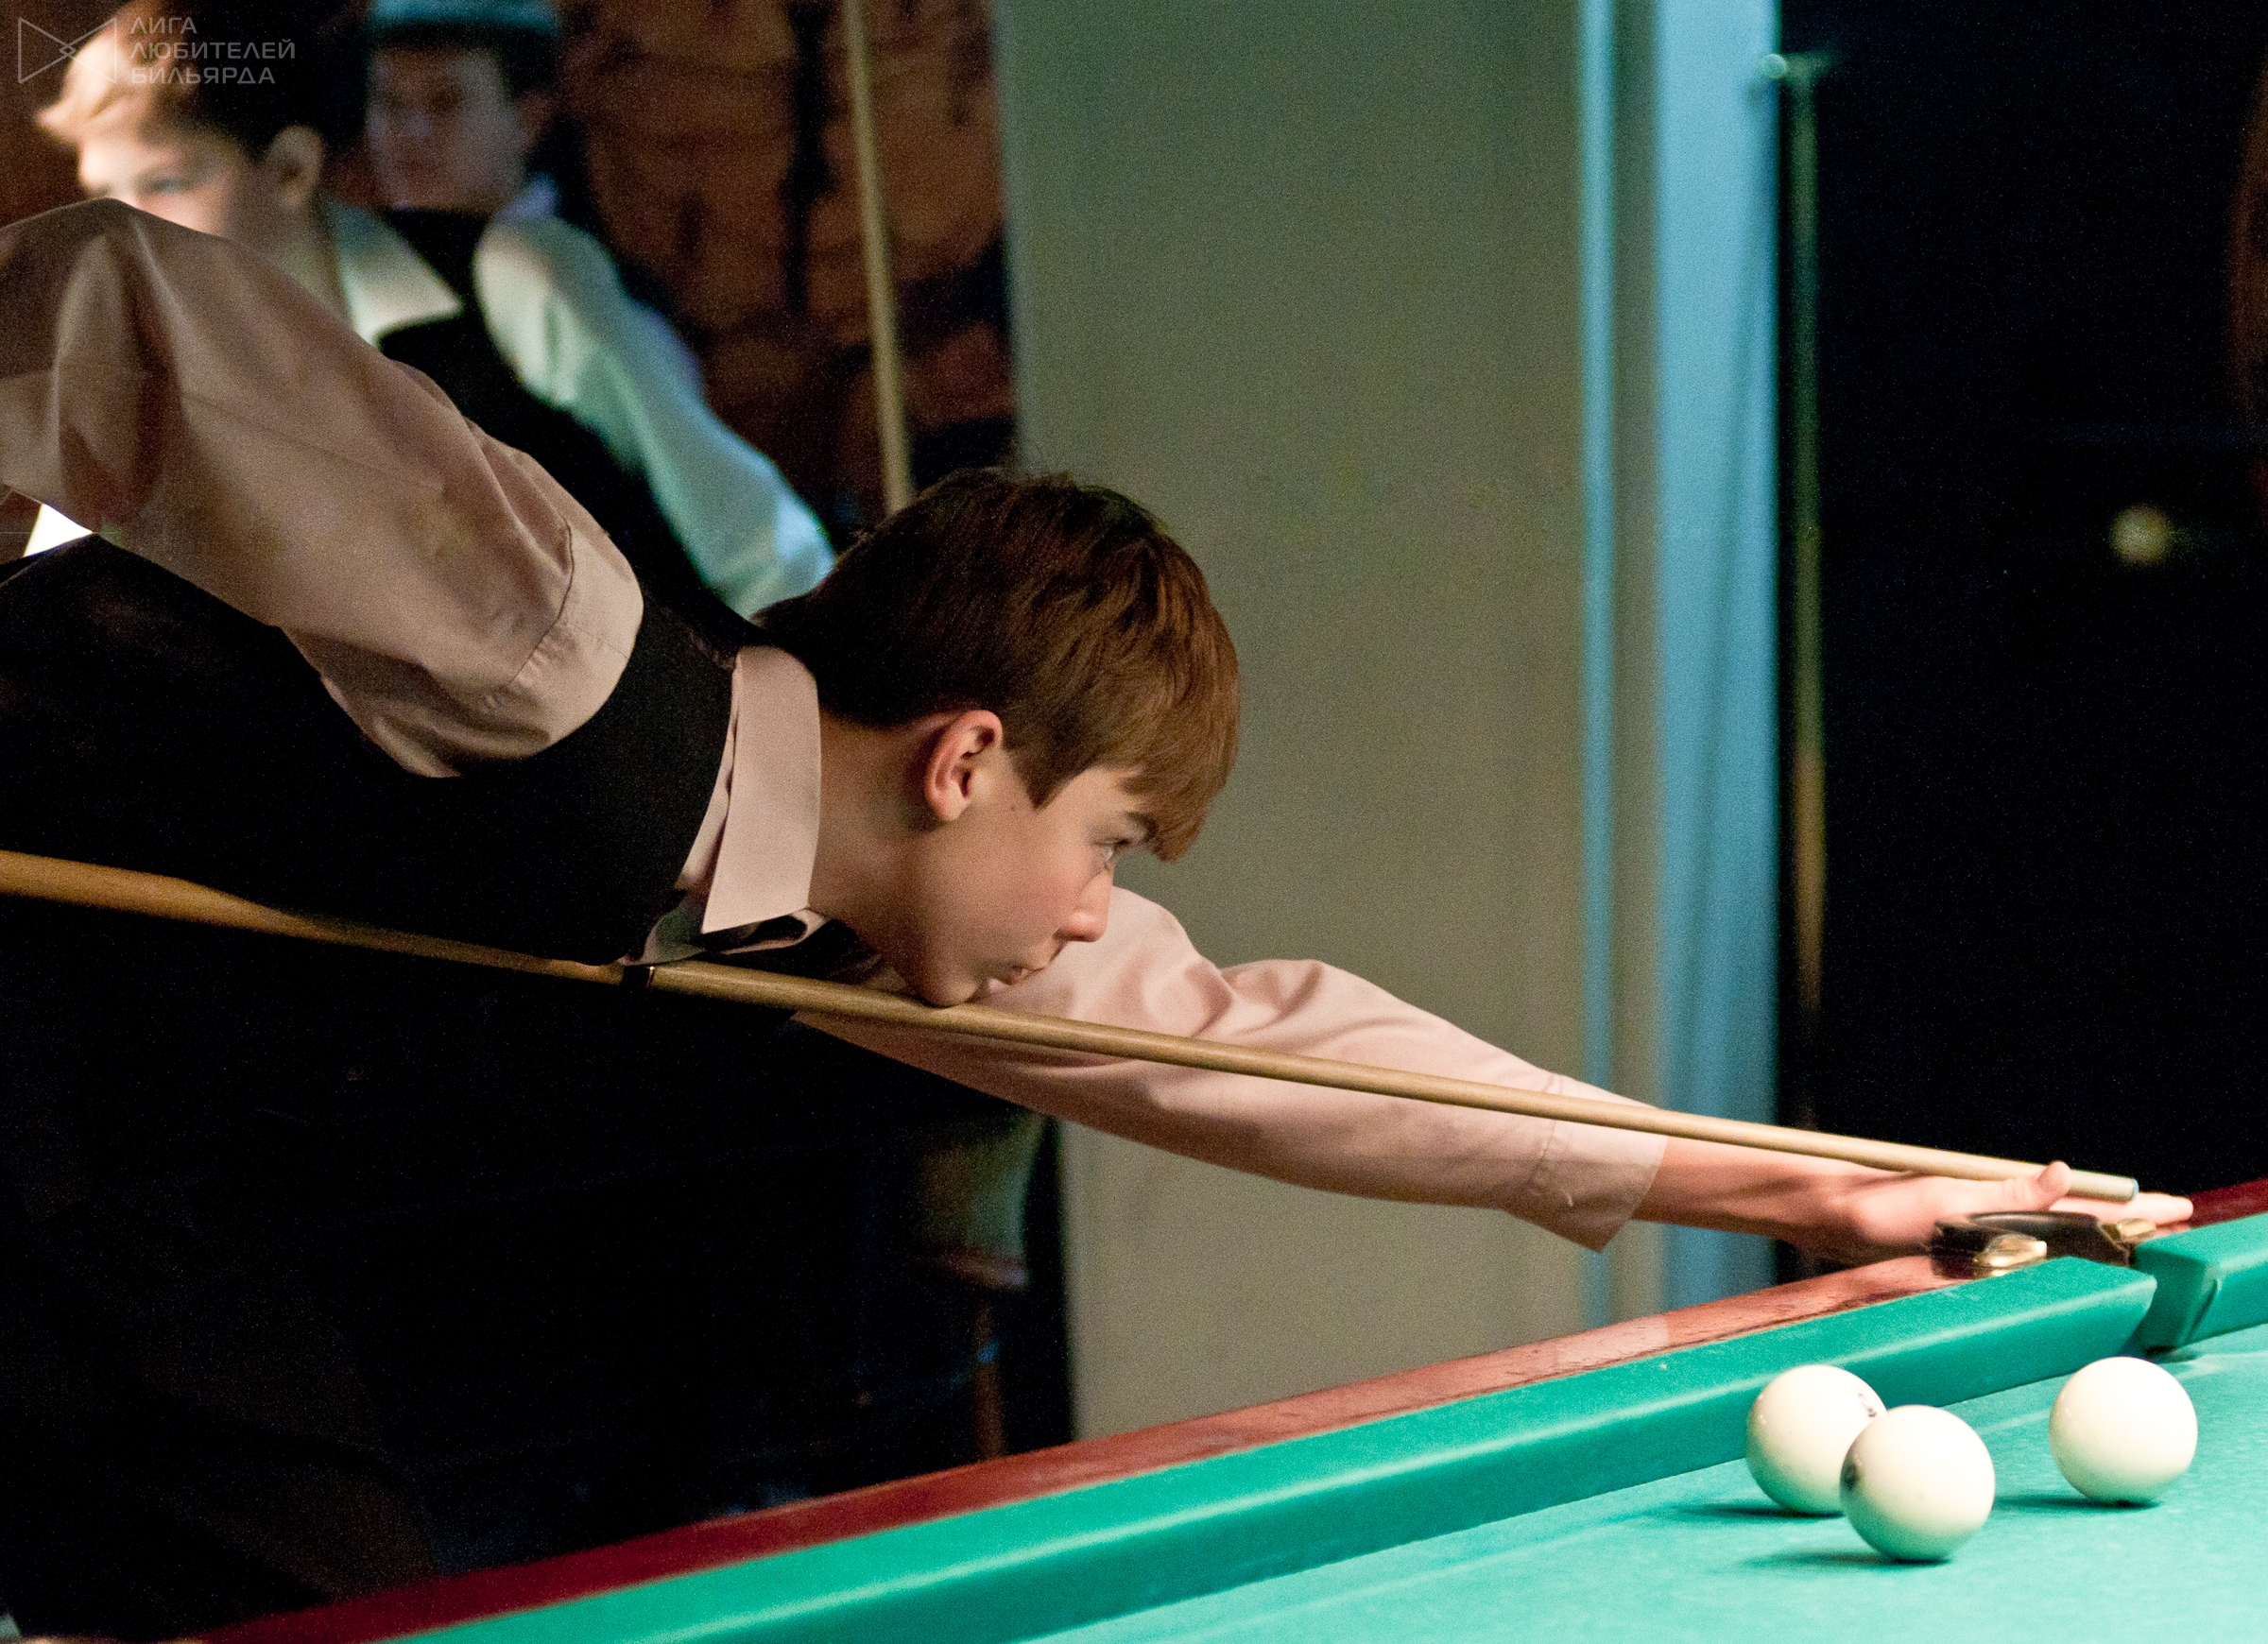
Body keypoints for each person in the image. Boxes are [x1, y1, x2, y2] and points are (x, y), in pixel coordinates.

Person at [0, 202, 2190, 1636]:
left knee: (352, 1598)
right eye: (1112, 841)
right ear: (965, 758)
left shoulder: (847, 912)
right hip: (51, 1129)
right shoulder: (551, 640)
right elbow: (110, 306)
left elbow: (1268, 1048)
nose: (1095, 917)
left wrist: (1819, 1186)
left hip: (125, 1209)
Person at [34, 0, 829, 626]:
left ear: (290, 169)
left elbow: (750, 538)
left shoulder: (514, 282)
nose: (124, 235)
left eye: (166, 184)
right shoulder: (135, 373)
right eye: (103, 198)